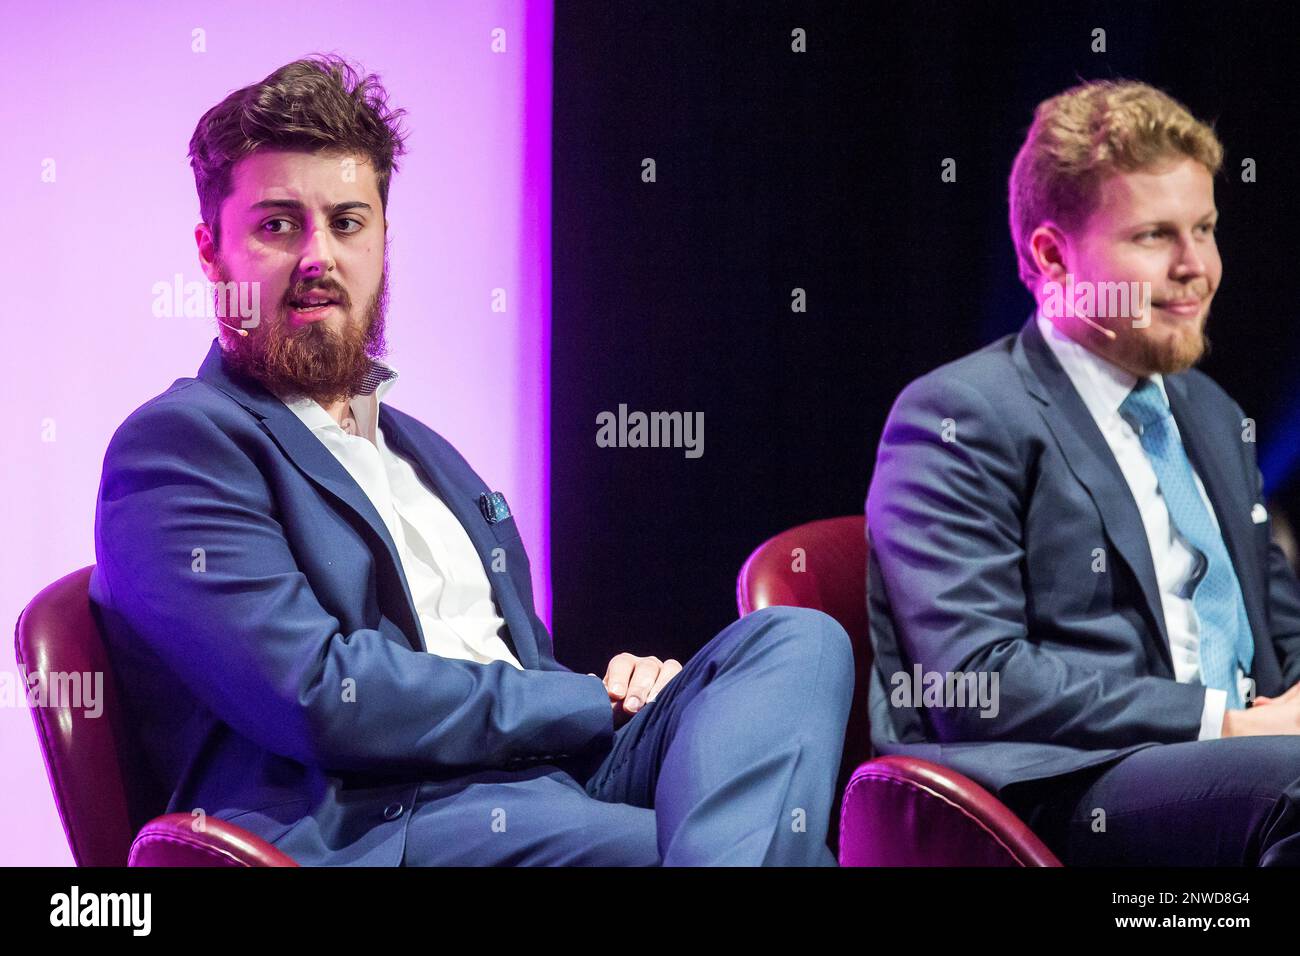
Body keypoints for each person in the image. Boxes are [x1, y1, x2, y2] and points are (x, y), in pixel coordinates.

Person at [90, 54, 853, 867]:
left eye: (347, 222)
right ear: (212, 254)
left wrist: (619, 693)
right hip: (375, 818)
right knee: (712, 851)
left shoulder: (425, 452)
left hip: (552, 780)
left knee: (793, 642)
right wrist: (583, 700)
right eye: (278, 225)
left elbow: (510, 663)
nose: (319, 256)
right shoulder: (180, 446)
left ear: (383, 241)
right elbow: (319, 694)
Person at [866, 79, 1300, 865]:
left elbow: (1279, 632)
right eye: (1153, 237)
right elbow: (976, 681)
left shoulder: (1207, 409)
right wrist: (1225, 722)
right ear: (1052, 254)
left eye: (1204, 228)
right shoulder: (959, 415)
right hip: (1070, 783)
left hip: (1246, 764)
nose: (1196, 267)